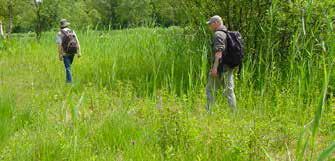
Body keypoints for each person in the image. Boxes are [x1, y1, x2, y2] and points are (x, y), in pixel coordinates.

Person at [206, 15, 237, 112]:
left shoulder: (218, 34)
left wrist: (215, 68)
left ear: (216, 23)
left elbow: (219, 52)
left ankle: (209, 112)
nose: (210, 26)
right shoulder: (226, 33)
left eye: (210, 24)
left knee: (210, 90)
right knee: (229, 91)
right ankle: (233, 114)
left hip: (220, 67)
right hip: (229, 67)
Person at [56, 19, 81, 83]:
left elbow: (59, 46)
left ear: (61, 26)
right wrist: (79, 52)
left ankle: (70, 83)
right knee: (68, 67)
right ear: (67, 25)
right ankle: (67, 81)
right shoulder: (72, 31)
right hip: (73, 51)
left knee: (68, 68)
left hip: (65, 53)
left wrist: (60, 55)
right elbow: (77, 41)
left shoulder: (59, 33)